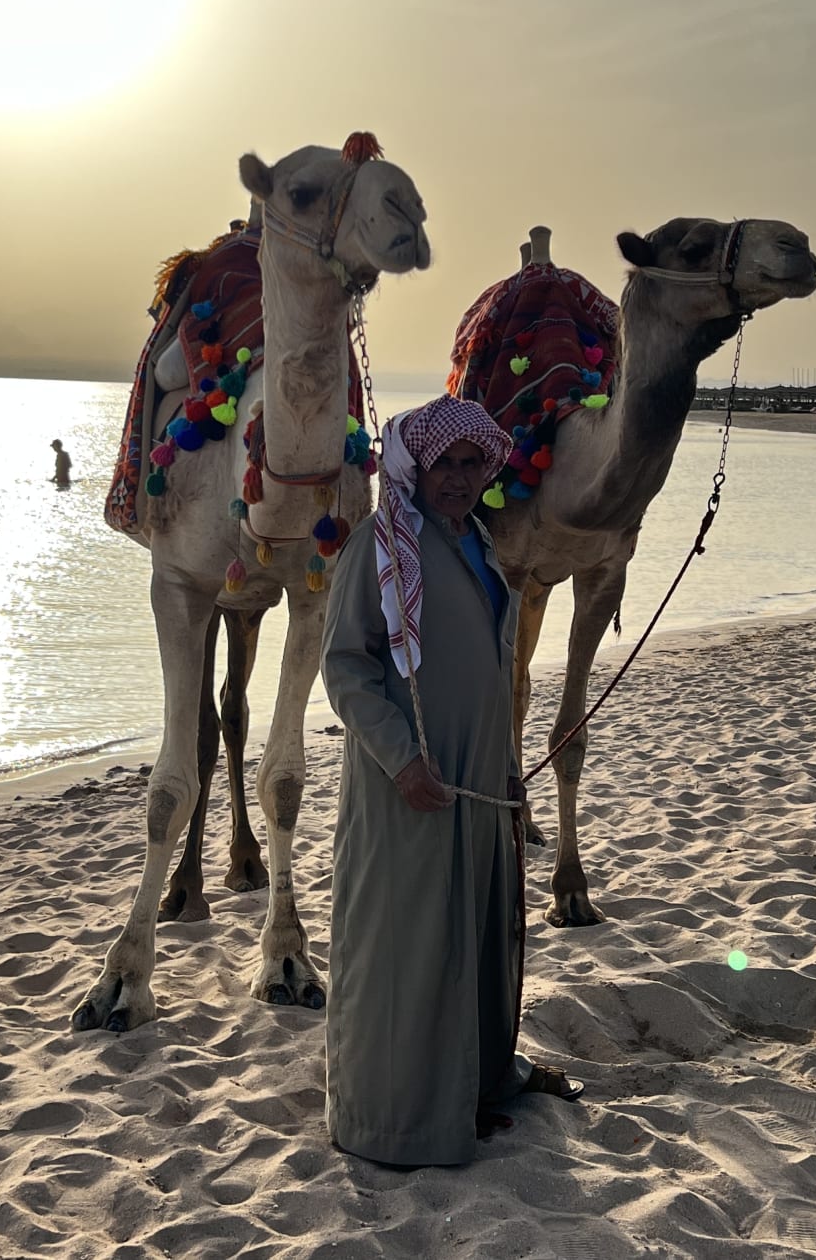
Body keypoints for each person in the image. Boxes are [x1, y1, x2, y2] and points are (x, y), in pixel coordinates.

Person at [320, 395, 583, 1167]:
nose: (460, 478)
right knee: (407, 947)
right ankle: (396, 1122)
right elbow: (345, 668)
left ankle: (478, 1084)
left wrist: (508, 772)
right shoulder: (379, 544)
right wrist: (402, 760)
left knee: (479, 937)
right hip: (406, 786)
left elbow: (494, 670)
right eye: (446, 464)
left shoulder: (475, 540)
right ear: (416, 466)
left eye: (473, 463)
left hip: (479, 783)